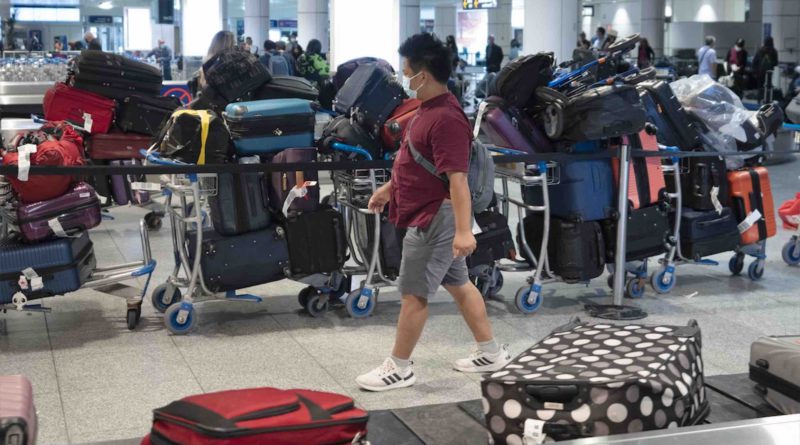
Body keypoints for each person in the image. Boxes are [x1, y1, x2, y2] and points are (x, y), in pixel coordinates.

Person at [355, 33, 511, 392]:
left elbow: (457, 180)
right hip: (429, 213)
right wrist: (390, 188)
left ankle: (399, 367)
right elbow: (416, 160)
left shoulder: (447, 119)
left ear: (423, 75)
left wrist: (462, 230)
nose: (403, 78)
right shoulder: (428, 108)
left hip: (434, 219)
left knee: (413, 294)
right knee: (459, 284)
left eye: (407, 71)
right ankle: (490, 352)